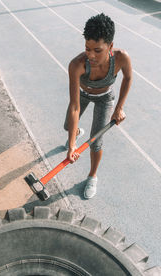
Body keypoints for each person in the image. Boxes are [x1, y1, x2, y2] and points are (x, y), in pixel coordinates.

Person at [64, 13, 132, 199]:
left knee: (95, 141)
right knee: (68, 127)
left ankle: (92, 176)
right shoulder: (76, 65)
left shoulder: (121, 58)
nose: (91, 55)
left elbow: (127, 78)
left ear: (110, 46)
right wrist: (72, 145)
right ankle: (76, 133)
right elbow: (74, 107)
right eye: (87, 48)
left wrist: (119, 108)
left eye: (97, 50)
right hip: (82, 96)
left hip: (104, 98)